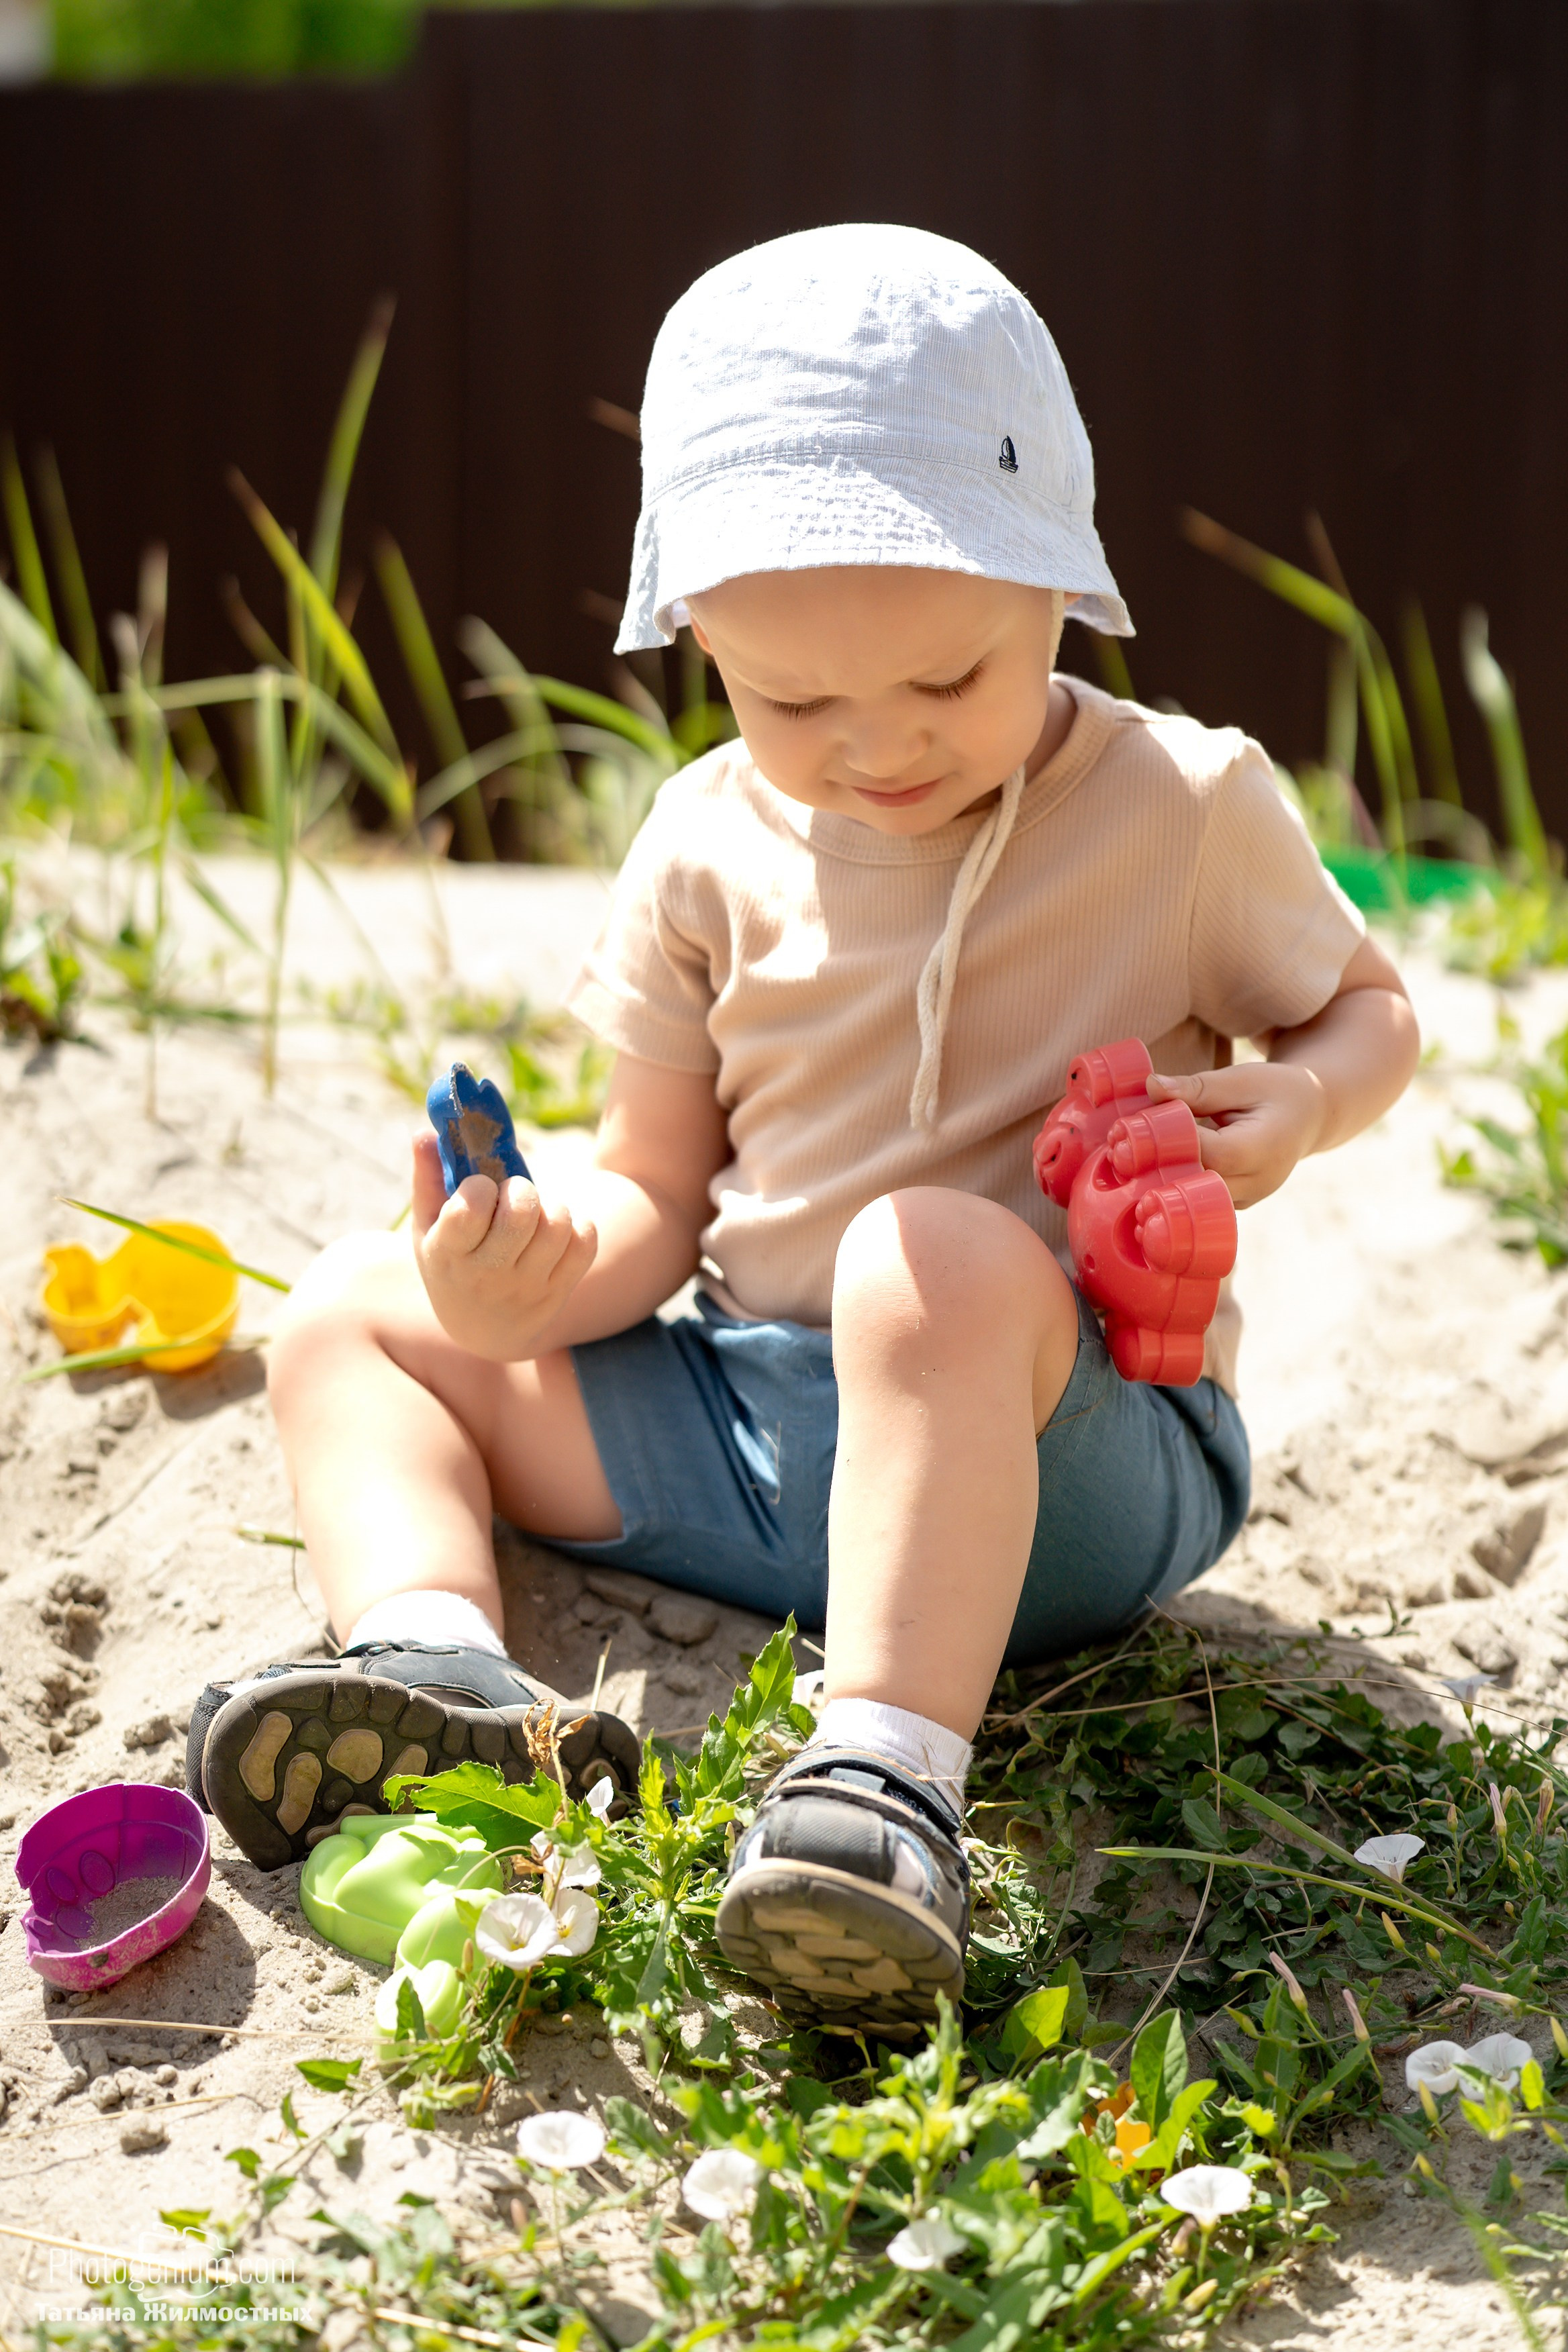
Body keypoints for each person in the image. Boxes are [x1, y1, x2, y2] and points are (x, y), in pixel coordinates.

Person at [187, 225, 1418, 2036]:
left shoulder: (1180, 800)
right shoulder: (704, 845)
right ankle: (438, 1670)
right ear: (699, 642)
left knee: (918, 1253)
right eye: (792, 702)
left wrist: (1303, 1097)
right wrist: (524, 1268)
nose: (878, 750)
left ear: (1057, 588)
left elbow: (1372, 1009)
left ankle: (883, 1788)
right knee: (349, 1315)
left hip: (1067, 1444)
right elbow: (655, 1201)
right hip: (765, 1441)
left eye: (949, 681)